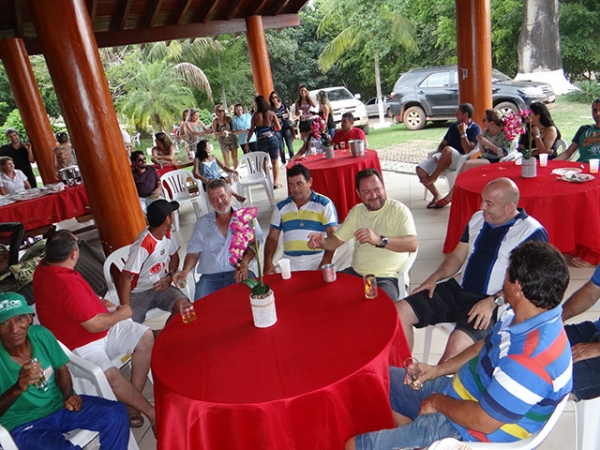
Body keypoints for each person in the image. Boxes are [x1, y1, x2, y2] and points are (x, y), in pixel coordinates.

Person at [346, 241, 572, 450]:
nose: (503, 282)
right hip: (458, 393)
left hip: (464, 430)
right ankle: (415, 441)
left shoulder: (529, 360)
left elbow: (483, 421)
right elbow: (484, 345)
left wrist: (436, 402)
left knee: (353, 445)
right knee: (373, 382)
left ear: (517, 287)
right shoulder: (525, 315)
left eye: (507, 275)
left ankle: (419, 439)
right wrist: (437, 370)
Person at [397, 178, 548, 361]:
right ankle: (403, 370)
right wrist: (434, 278)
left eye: (489, 203)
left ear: (509, 207)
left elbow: (528, 283)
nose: (482, 206)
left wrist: (494, 301)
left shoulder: (531, 232)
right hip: (457, 289)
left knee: (453, 352)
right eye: (482, 200)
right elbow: (457, 257)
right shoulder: (478, 218)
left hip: (492, 302)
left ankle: (435, 385)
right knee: (399, 312)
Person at [33, 230, 157, 430]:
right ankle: (152, 413)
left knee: (145, 336)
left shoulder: (45, 268)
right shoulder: (65, 282)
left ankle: (131, 405)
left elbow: (73, 303)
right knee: (110, 374)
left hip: (100, 327)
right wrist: (121, 313)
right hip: (80, 343)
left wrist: (99, 302)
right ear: (74, 254)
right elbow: (93, 325)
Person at [0, 292, 130, 450]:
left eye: (19, 319)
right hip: (24, 424)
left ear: (29, 318)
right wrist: (17, 388)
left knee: (115, 413)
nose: (14, 329)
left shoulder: (40, 334)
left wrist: (68, 395)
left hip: (59, 406)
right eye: (4, 323)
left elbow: (61, 368)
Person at [307, 168, 417, 301]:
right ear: (358, 193)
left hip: (386, 278)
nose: (374, 195)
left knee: (375, 306)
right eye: (366, 192)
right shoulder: (357, 212)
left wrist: (378, 239)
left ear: (383, 187)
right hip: (356, 273)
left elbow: (412, 244)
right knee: (323, 293)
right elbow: (335, 241)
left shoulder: (398, 211)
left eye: (377, 189)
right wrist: (322, 242)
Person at [173, 179, 262, 300]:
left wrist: (244, 262)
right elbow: (193, 253)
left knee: (253, 301)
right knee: (202, 310)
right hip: (210, 278)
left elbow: (254, 244)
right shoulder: (201, 224)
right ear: (210, 201)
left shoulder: (245, 217)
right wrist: (185, 271)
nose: (219, 201)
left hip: (238, 272)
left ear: (230, 195)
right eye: (214, 198)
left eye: (222, 196)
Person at [117, 200, 190, 324]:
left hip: (160, 286)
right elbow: (125, 277)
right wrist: (125, 309)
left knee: (184, 306)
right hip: (138, 293)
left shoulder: (167, 233)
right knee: (130, 327)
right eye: (172, 213)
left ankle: (165, 337)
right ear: (167, 219)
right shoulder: (144, 244)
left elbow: (174, 258)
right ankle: (153, 338)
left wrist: (169, 277)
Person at [433, 109, 516, 208]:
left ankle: (452, 195)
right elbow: (483, 151)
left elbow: (503, 153)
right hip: (486, 158)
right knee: (467, 167)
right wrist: (481, 143)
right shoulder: (487, 132)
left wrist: (486, 143)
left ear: (491, 122)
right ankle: (457, 194)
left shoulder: (504, 134)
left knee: (467, 165)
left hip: (497, 161)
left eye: (484, 120)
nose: (482, 122)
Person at [264, 164, 338, 274]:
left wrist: (325, 261)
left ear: (310, 182)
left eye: (299, 184)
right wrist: (267, 261)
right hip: (289, 261)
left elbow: (333, 236)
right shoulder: (281, 207)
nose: (295, 189)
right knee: (272, 287)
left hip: (317, 259)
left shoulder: (324, 204)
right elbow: (272, 237)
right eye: (291, 185)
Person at [416, 103, 481, 208]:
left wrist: (463, 133)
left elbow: (468, 150)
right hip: (444, 157)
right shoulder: (453, 126)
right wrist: (438, 154)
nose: (455, 115)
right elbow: (443, 143)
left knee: (448, 150)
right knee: (420, 169)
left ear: (465, 115)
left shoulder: (475, 129)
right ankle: (437, 195)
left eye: (458, 113)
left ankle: (434, 177)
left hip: (459, 160)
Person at [561, 264, 600, 401]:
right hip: (596, 331)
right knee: (533, 341)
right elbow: (591, 292)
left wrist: (596, 349)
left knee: (554, 384)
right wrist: (559, 318)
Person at [247, 95, 282, 189]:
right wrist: (271, 128)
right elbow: (279, 127)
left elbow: (251, 130)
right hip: (271, 138)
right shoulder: (271, 113)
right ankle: (275, 183)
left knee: (264, 162)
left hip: (260, 140)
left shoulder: (255, 115)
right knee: (275, 161)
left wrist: (247, 142)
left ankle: (268, 181)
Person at [556, 98, 600, 163]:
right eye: (594, 110)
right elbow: (568, 153)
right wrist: (552, 162)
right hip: (582, 166)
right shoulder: (584, 129)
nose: (597, 114)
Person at [212, 104, 241, 169]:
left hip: (232, 139)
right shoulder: (215, 121)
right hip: (223, 141)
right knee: (226, 158)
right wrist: (222, 133)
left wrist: (228, 132)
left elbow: (233, 130)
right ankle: (229, 173)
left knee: (234, 157)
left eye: (222, 110)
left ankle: (236, 172)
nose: (221, 112)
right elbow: (215, 133)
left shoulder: (228, 119)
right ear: (216, 112)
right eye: (219, 111)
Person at [269, 91, 295, 163]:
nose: (274, 99)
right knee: (281, 146)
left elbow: (288, 113)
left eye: (275, 97)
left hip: (285, 126)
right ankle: (283, 161)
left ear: (278, 97)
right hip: (277, 128)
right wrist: (275, 119)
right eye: (272, 98)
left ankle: (292, 160)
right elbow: (270, 118)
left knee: (290, 145)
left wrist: (286, 115)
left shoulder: (283, 104)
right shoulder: (270, 108)